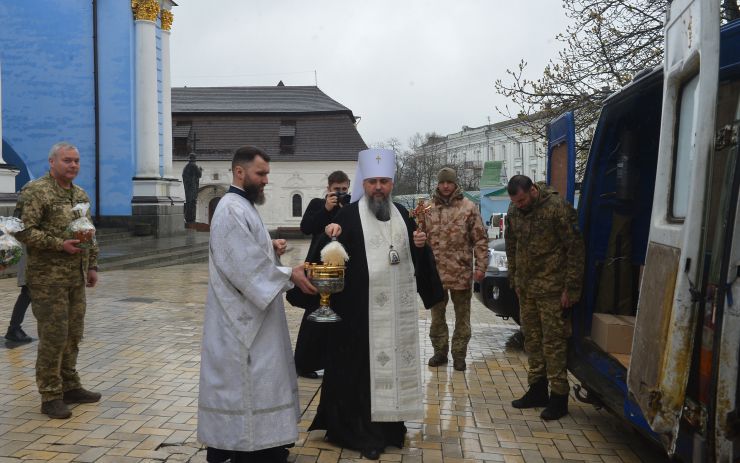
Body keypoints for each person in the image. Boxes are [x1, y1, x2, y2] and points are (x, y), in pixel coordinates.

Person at [308, 149, 443, 460]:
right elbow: (326, 260)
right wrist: (330, 238)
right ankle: (361, 434)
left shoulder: (402, 214)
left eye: (384, 181)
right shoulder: (345, 216)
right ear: (363, 184)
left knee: (391, 371)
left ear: (392, 183)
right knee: (360, 376)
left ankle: (390, 429)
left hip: (395, 316)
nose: (378, 187)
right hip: (357, 316)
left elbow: (414, 260)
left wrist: (419, 247)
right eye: (372, 182)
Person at [198, 145, 317, 463]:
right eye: (260, 173)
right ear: (240, 172)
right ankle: (249, 448)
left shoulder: (243, 205)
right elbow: (241, 266)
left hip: (255, 315)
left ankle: (266, 442)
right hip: (240, 322)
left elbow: (248, 252)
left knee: (259, 381)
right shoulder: (231, 208)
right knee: (246, 383)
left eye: (267, 173)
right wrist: (287, 272)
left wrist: (270, 248)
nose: (266, 179)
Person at [15, 142, 100, 419]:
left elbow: (89, 232)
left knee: (73, 334)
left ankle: (70, 385)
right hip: (47, 279)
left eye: (76, 160)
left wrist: (93, 265)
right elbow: (22, 230)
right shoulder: (36, 191)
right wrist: (58, 244)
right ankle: (50, 395)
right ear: (52, 162)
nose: (73, 165)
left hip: (75, 276)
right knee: (53, 337)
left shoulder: (79, 194)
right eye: (67, 160)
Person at [504, 175, 584, 420]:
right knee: (532, 341)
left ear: (533, 190)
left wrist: (571, 288)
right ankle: (537, 390)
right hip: (527, 288)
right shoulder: (515, 210)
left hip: (552, 289)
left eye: (523, 200)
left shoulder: (557, 208)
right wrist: (514, 278)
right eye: (515, 202)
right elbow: (511, 244)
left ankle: (559, 397)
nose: (519, 205)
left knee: (554, 343)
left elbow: (575, 248)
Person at [425, 167, 488, 371]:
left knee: (463, 318)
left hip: (461, 272)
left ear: (455, 184)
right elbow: (419, 239)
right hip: (435, 274)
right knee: (437, 318)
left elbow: (479, 239)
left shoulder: (468, 207)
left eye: (449, 182)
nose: (445, 186)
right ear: (437, 183)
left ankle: (459, 354)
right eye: (442, 182)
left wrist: (481, 266)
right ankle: (440, 352)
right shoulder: (428, 208)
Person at [291, 170, 350, 379]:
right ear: (328, 188)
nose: (341, 193)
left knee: (340, 316)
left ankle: (334, 362)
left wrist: (345, 209)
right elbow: (306, 227)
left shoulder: (351, 206)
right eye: (336, 190)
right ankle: (304, 363)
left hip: (343, 269)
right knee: (314, 316)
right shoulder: (318, 203)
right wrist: (326, 208)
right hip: (318, 266)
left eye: (344, 189)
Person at [4, 248, 33, 343]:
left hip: (34, 265)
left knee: (27, 294)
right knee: (26, 294)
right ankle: (14, 328)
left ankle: (14, 328)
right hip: (31, 265)